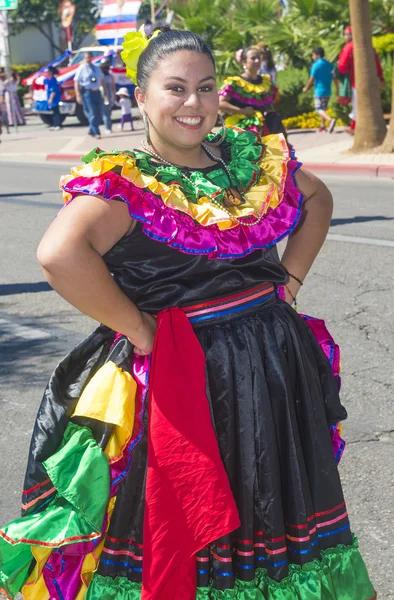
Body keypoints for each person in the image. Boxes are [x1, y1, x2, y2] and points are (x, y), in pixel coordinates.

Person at [0, 29, 376, 600]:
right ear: (143, 95)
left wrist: (289, 283)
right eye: (175, 88)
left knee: (272, 491)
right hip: (187, 372)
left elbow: (317, 199)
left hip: (272, 359)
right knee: (180, 508)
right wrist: (138, 328)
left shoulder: (247, 160)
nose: (194, 103)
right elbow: (59, 255)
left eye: (204, 87)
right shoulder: (125, 179)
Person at [218, 46, 287, 138]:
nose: (257, 61)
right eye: (253, 58)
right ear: (243, 62)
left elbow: (272, 100)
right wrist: (242, 111)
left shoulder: (266, 81)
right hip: (245, 130)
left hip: (269, 126)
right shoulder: (236, 83)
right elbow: (220, 103)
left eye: (258, 58)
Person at [338, 25, 384, 134]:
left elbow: (342, 66)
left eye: (346, 34)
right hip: (371, 81)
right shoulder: (369, 46)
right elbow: (377, 63)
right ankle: (355, 127)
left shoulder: (349, 47)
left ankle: (354, 128)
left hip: (355, 81)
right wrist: (381, 78)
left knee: (357, 105)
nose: (345, 37)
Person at [303, 47, 336, 133]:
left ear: (317, 55)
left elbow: (312, 77)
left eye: (313, 55)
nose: (312, 57)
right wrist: (338, 88)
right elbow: (334, 77)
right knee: (323, 109)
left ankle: (330, 120)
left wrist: (306, 87)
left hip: (319, 90)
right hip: (328, 91)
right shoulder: (329, 65)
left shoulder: (316, 65)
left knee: (319, 109)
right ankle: (322, 126)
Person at [74, 51, 104, 139]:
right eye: (86, 57)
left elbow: (102, 80)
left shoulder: (97, 68)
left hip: (97, 92)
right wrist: (78, 95)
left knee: (99, 113)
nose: (88, 59)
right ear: (84, 58)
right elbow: (76, 82)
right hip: (87, 92)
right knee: (92, 113)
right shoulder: (81, 68)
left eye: (89, 57)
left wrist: (105, 92)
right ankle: (96, 132)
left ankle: (91, 130)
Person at [101, 59, 116, 134]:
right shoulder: (101, 76)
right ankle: (107, 127)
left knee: (109, 112)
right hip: (104, 96)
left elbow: (113, 87)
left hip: (110, 95)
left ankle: (109, 127)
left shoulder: (110, 76)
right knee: (106, 112)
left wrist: (114, 96)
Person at [44, 66, 62, 131]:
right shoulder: (49, 79)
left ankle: (58, 124)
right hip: (51, 98)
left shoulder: (53, 80)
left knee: (56, 112)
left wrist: (51, 98)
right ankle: (55, 124)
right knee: (54, 112)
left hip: (54, 98)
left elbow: (53, 90)